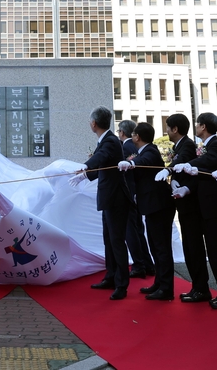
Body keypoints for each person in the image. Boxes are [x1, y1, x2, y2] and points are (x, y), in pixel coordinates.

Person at [175, 112, 217, 309]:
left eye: (197, 124)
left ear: (203, 126)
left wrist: (186, 164)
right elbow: (199, 175)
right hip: (202, 208)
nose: (196, 127)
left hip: (216, 208)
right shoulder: (202, 148)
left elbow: (207, 162)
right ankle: (202, 288)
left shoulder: (216, 147)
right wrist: (185, 187)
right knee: (206, 250)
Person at [74, 106, 132, 300]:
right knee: (109, 239)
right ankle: (111, 276)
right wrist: (85, 175)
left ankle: (122, 284)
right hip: (109, 198)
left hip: (116, 199)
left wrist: (86, 165)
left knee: (116, 241)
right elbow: (102, 165)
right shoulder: (105, 140)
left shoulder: (110, 141)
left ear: (94, 123)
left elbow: (101, 158)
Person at [118, 122, 175, 300]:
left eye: (133, 134)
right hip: (151, 206)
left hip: (159, 205)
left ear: (137, 136)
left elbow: (143, 162)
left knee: (161, 247)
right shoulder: (144, 151)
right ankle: (159, 282)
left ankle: (166, 289)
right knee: (154, 246)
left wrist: (131, 163)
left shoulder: (150, 151)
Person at [155, 113, 208, 303]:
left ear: (175, 129)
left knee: (194, 247)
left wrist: (169, 170)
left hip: (191, 205)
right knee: (189, 246)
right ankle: (197, 287)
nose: (166, 131)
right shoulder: (179, 146)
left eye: (168, 127)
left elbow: (182, 161)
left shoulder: (187, 146)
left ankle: (201, 288)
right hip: (183, 203)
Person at [116, 120, 154, 278]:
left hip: (130, 193)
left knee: (131, 230)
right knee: (138, 230)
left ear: (123, 133)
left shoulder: (126, 147)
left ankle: (139, 265)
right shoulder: (136, 147)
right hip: (137, 193)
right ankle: (147, 264)